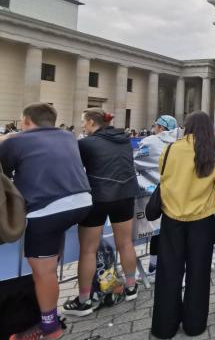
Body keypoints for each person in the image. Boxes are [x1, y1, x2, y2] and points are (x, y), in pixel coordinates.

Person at [0, 103, 93, 340]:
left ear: (27, 121)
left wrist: (6, 139)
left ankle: (51, 328)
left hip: (47, 209)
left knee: (44, 272)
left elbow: (5, 170)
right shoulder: (68, 136)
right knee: (51, 263)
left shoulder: (16, 141)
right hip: (82, 201)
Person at [62, 109, 141, 317]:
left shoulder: (86, 143)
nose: (82, 127)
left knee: (88, 250)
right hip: (124, 195)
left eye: (83, 122)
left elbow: (74, 168)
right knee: (125, 243)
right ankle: (131, 287)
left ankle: (84, 300)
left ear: (91, 122)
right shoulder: (124, 139)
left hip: (97, 197)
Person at [150, 112, 215, 338]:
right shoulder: (214, 153)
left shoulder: (170, 149)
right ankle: (194, 324)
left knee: (168, 272)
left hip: (172, 217)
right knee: (198, 273)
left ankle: (164, 327)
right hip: (202, 218)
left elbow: (163, 176)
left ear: (186, 127)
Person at [133, 115, 180, 280]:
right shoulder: (180, 141)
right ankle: (169, 265)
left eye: (156, 126)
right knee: (169, 231)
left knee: (156, 231)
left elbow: (136, 161)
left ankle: (154, 266)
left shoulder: (151, 141)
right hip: (176, 191)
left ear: (161, 127)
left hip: (155, 192)